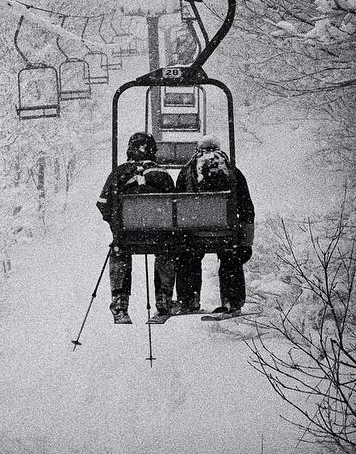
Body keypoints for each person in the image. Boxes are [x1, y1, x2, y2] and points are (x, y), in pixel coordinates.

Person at [97, 132, 178, 324]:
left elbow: (103, 204)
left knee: (119, 250)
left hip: (128, 236)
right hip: (159, 236)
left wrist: (117, 226)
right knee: (167, 250)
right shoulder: (163, 174)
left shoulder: (118, 173)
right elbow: (175, 207)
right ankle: (164, 302)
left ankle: (120, 304)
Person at [174, 136, 255, 315]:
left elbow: (178, 206)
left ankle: (189, 300)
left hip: (195, 234)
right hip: (226, 233)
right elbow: (247, 208)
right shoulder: (233, 171)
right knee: (230, 258)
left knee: (189, 258)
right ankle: (232, 301)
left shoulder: (187, 171)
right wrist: (245, 242)